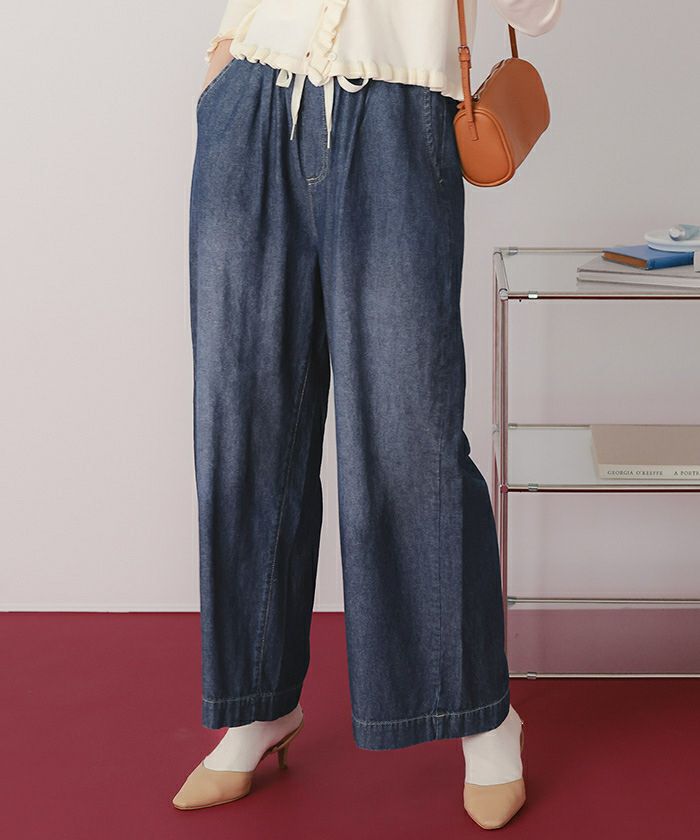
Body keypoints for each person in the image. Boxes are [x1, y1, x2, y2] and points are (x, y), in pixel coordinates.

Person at [172, 0, 562, 829]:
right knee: (242, 427)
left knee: (410, 436)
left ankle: (483, 714)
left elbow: (540, 12)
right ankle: (256, 703)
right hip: (252, 102)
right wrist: (222, 58)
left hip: (395, 117)